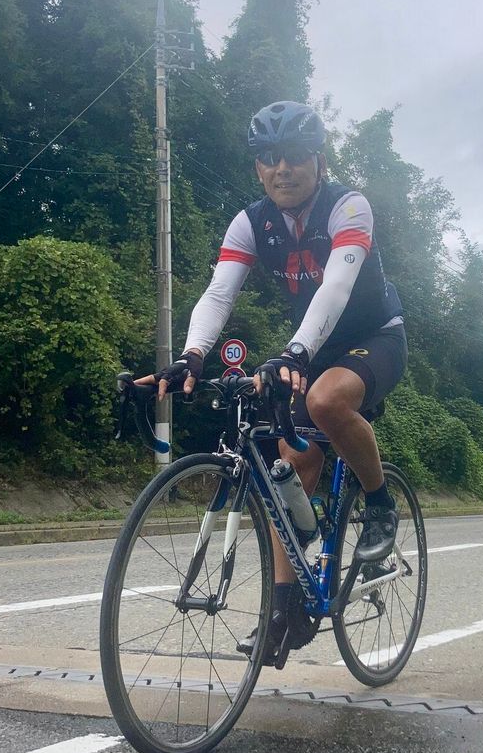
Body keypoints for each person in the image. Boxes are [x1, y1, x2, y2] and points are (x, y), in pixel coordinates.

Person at [150, 101, 407, 659]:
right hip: (311, 344)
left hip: (373, 336)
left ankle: (380, 504)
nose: (282, 168)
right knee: (289, 466)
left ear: (318, 161)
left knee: (326, 401)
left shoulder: (348, 206)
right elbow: (219, 292)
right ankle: (286, 610)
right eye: (269, 158)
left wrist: (294, 351)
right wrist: (192, 355)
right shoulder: (251, 222)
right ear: (258, 167)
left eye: (293, 156)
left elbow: (335, 289)